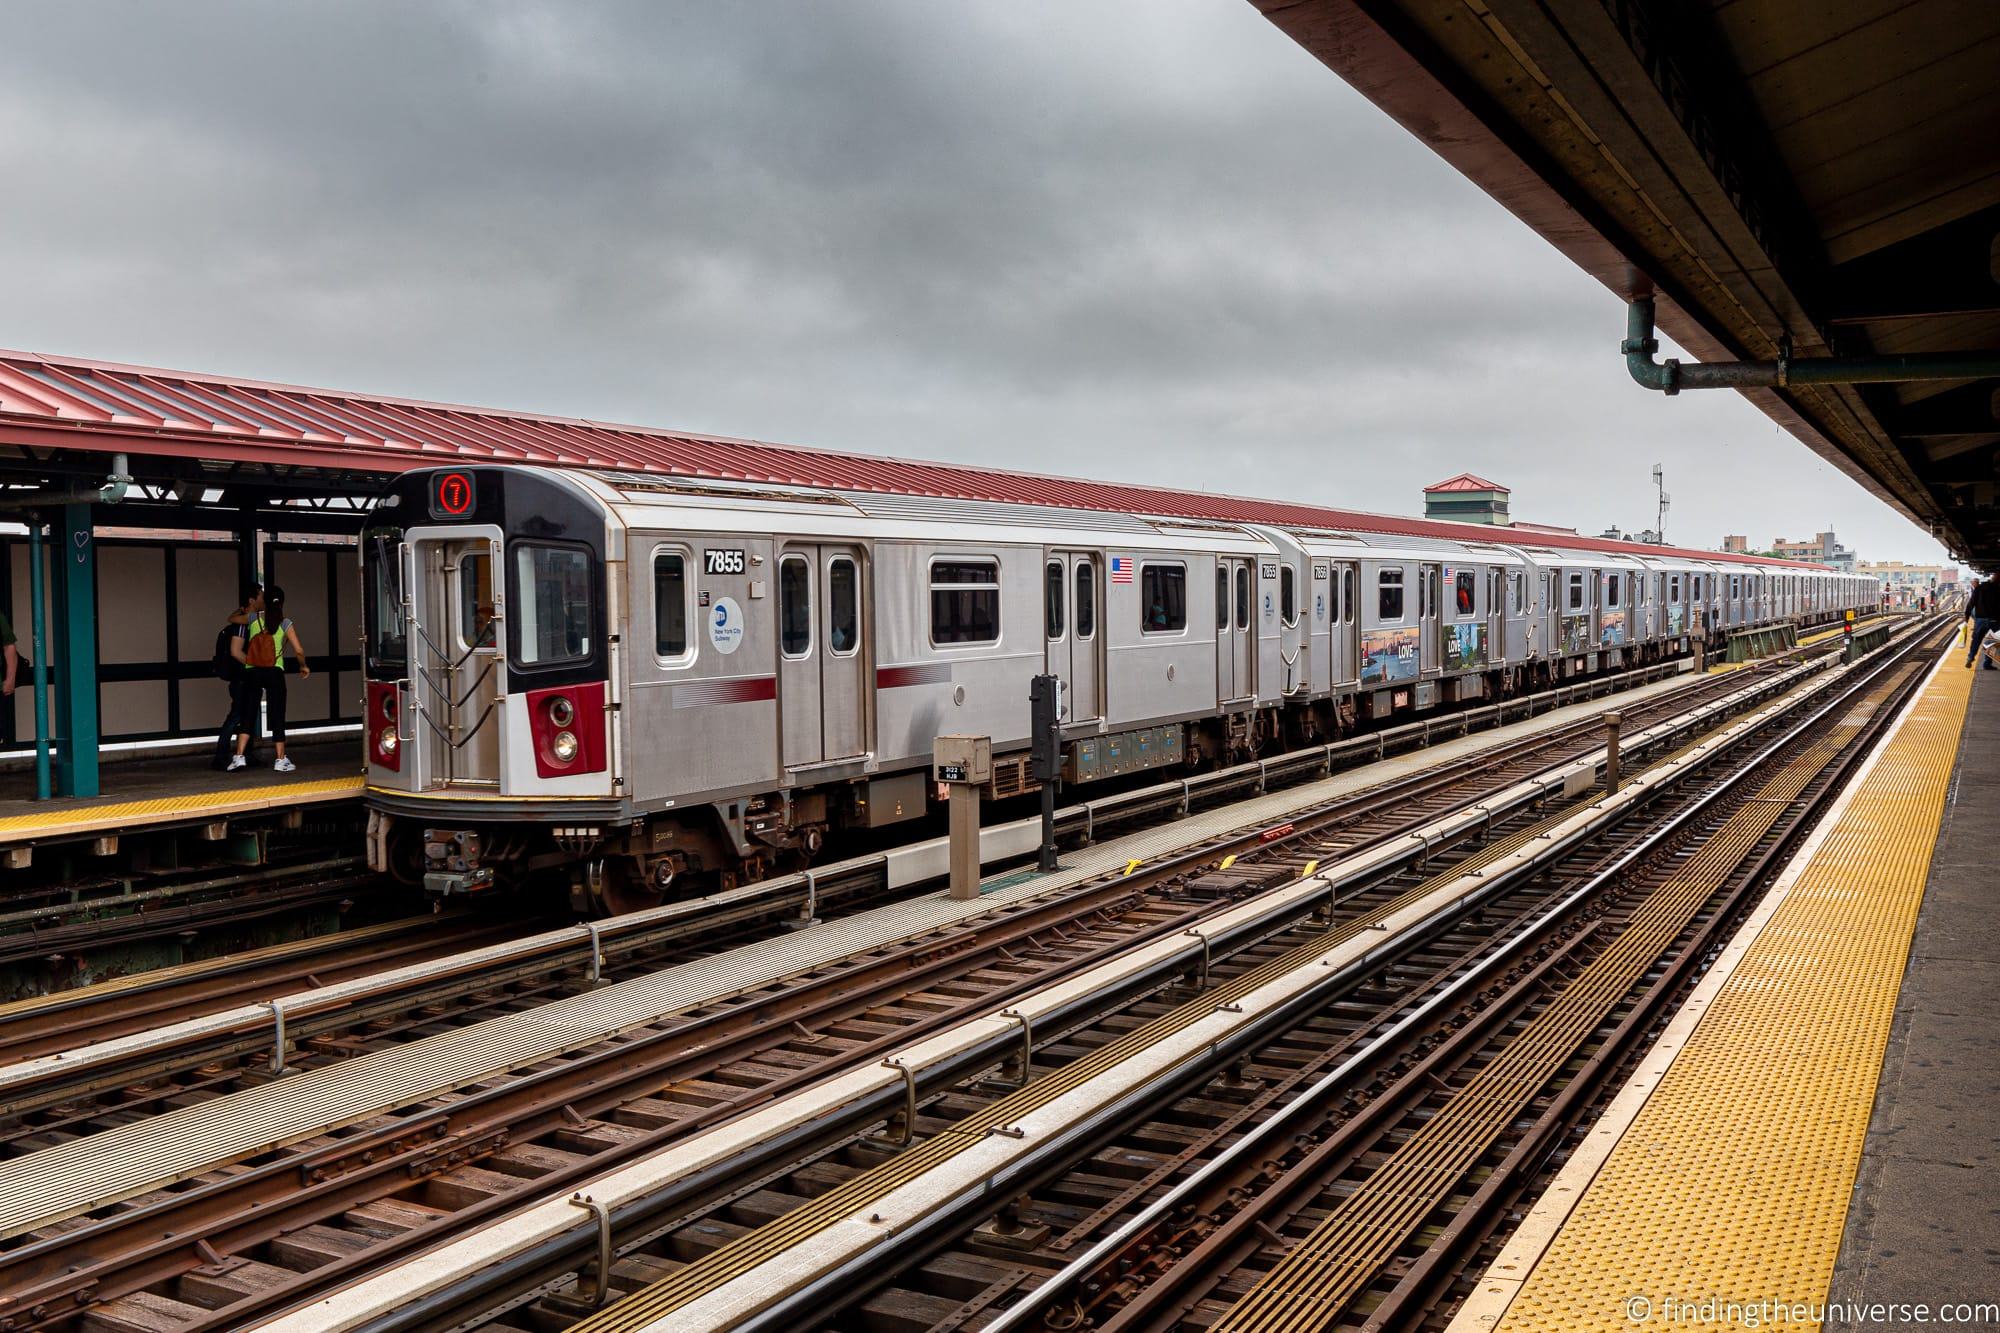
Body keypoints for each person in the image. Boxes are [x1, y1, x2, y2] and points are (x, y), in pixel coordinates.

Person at [228, 584, 310, 772]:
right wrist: (303, 666)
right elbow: (299, 650)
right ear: (281, 602)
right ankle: (280, 759)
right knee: (278, 714)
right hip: (274, 672)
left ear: (265, 602)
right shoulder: (285, 622)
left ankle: (238, 756)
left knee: (248, 714)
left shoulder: (252, 619)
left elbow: (231, 619)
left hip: (253, 671)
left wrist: (244, 608)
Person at [211, 585, 259, 770]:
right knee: (237, 716)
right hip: (242, 677)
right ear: (252, 600)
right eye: (261, 596)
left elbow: (231, 617)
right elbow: (236, 651)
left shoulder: (247, 619)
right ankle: (222, 756)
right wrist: (255, 664)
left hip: (243, 677)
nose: (263, 600)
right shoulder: (243, 624)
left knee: (246, 716)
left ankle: (244, 754)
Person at [1965, 576, 2000, 672]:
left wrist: (1966, 619)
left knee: (1976, 640)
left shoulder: (1979, 589)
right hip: (1994, 620)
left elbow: (1970, 604)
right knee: (1991, 642)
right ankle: (1987, 664)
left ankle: (1970, 657)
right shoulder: (1998, 589)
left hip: (1980, 620)